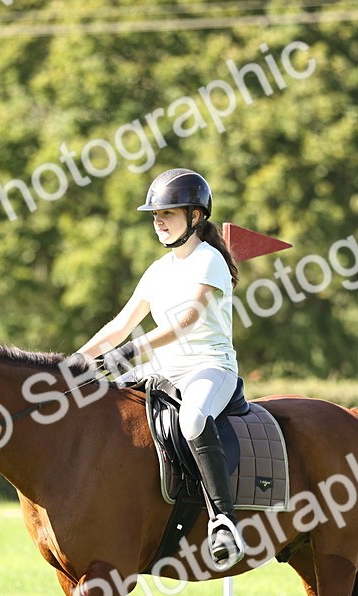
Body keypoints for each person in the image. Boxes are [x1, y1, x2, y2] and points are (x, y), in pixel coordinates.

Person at [77, 168, 247, 569]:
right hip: (162, 372)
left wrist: (132, 351)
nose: (159, 221)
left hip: (209, 369)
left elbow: (188, 319)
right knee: (103, 402)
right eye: (155, 214)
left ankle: (224, 520)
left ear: (196, 216)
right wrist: (74, 362)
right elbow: (119, 326)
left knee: (192, 420)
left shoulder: (209, 262)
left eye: (167, 213)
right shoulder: (158, 269)